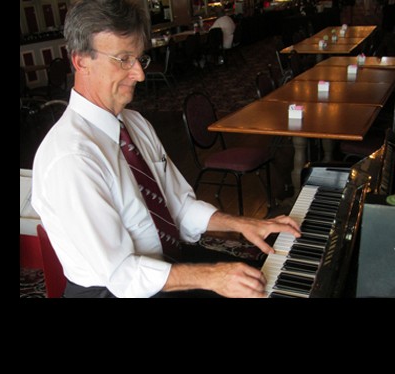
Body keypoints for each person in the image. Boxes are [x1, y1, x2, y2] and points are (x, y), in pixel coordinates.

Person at [31, 0, 301, 298]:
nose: (140, 74)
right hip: (111, 290)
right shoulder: (71, 158)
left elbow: (179, 206)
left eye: (139, 59)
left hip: (161, 265)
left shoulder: (134, 123)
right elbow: (121, 275)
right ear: (81, 61)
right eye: (123, 59)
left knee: (262, 281)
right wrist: (213, 277)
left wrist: (242, 224)